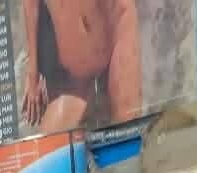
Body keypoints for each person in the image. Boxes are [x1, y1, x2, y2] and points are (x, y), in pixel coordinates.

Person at [20, 0, 141, 132]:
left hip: (117, 31)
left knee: (127, 130)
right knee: (51, 139)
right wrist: (33, 71)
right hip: (75, 67)